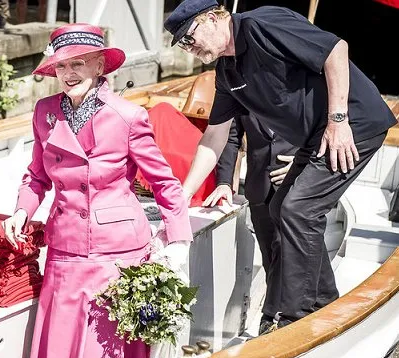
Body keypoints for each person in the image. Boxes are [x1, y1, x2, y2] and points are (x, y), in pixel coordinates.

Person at [164, 0, 397, 332]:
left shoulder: (262, 25)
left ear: (215, 18)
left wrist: (338, 119)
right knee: (278, 208)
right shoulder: (227, 74)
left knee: (299, 209)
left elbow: (335, 49)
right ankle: (325, 302)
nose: (189, 48)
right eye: (183, 44)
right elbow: (214, 137)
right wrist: (181, 196)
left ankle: (294, 318)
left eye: (190, 36)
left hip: (353, 125)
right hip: (316, 137)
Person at [1, 23, 193, 358]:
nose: (68, 74)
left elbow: (165, 184)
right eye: (61, 67)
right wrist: (22, 211)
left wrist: (179, 242)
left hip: (116, 253)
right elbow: (36, 176)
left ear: (99, 67)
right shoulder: (44, 112)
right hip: (64, 250)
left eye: (78, 64)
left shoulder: (128, 116)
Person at [203, 115, 299, 334]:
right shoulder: (244, 90)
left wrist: (302, 161)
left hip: (297, 184)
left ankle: (272, 316)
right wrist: (225, 182)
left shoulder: (301, 85)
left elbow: (322, 129)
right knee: (270, 255)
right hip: (260, 188)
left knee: (284, 250)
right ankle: (277, 312)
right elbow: (232, 137)